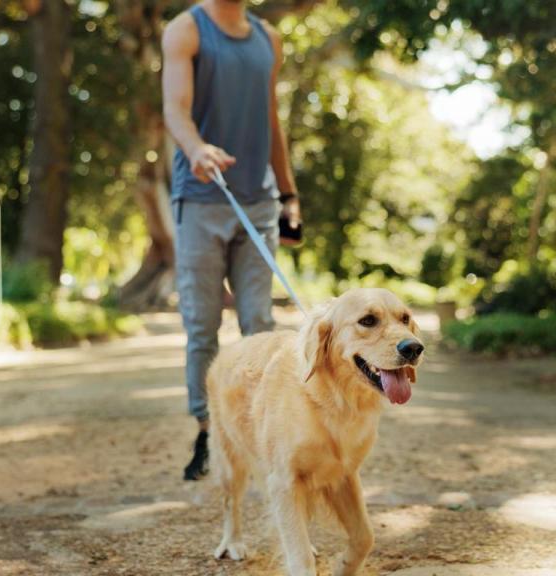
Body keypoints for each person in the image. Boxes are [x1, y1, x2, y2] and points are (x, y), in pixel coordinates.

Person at [161, 0, 301, 481]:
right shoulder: (186, 30)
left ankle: (263, 427)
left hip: (258, 202)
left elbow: (271, 119)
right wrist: (196, 148)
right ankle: (207, 429)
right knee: (202, 324)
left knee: (258, 322)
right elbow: (175, 109)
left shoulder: (269, 39)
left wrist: (288, 194)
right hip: (200, 198)